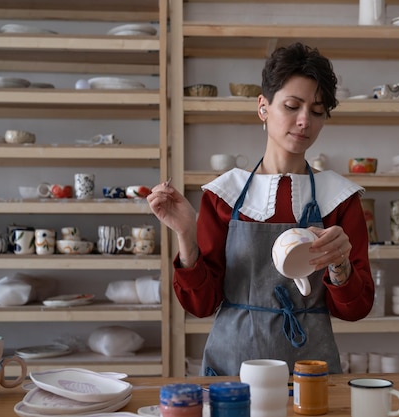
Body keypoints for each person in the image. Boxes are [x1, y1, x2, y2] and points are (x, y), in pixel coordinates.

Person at [147, 42, 374, 376]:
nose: (303, 121)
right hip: (233, 371)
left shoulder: (338, 197)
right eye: (292, 106)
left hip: (309, 373)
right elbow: (201, 304)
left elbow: (356, 309)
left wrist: (340, 266)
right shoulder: (225, 194)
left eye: (316, 110)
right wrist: (186, 235)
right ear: (263, 107)